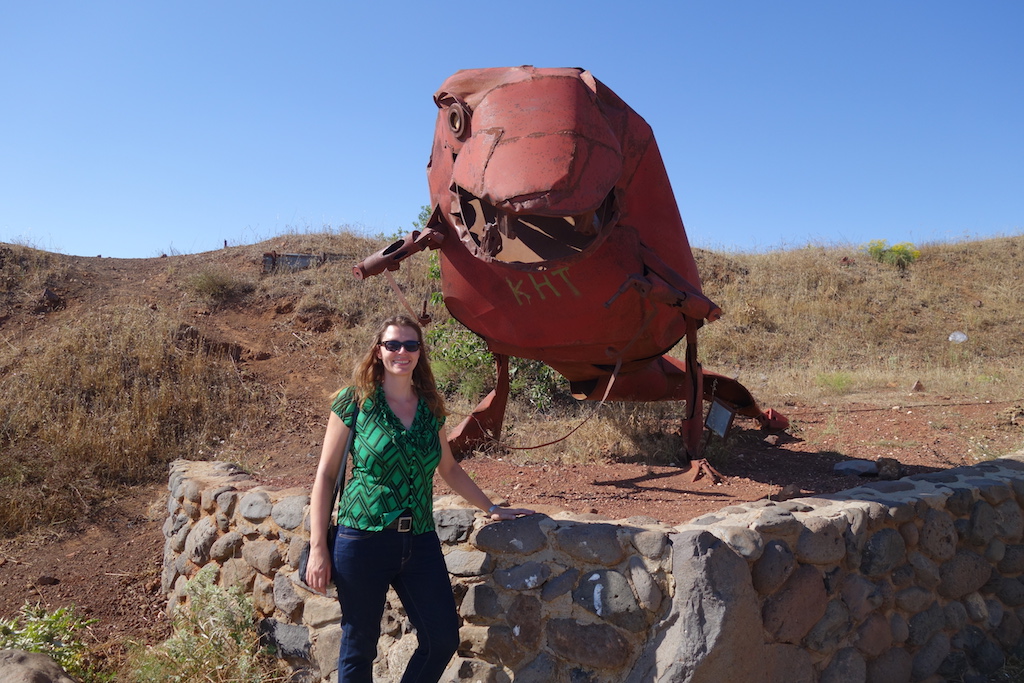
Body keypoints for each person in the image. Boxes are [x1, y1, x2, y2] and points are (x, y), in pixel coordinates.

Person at [305, 314, 534, 682]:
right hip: (362, 537)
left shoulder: (430, 407)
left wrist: (492, 508)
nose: (402, 352)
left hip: (419, 540)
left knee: (442, 637)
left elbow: (449, 468)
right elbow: (326, 476)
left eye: (411, 345)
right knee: (359, 644)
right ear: (378, 351)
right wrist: (318, 547)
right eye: (393, 344)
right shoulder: (355, 401)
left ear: (419, 352)